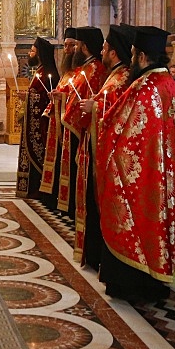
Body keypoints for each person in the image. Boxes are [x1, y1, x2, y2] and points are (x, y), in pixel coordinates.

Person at [96, 25, 175, 302]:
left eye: (132, 55)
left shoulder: (146, 87)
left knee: (139, 225)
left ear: (141, 56)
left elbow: (123, 130)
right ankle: (155, 281)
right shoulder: (167, 84)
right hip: (162, 173)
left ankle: (132, 285)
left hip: (141, 178)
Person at [76, 23, 134, 269]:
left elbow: (118, 110)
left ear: (113, 52)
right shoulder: (115, 75)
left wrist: (95, 106)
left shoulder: (122, 78)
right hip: (96, 148)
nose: (101, 53)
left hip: (108, 155)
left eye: (105, 49)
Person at [56, 26, 107, 218]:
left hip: (83, 127)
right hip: (76, 125)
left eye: (76, 45)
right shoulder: (84, 68)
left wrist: (68, 115)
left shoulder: (95, 70)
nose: (73, 49)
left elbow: (88, 97)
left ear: (84, 46)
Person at [39, 27, 79, 205]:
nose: (68, 50)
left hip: (69, 125)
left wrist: (60, 97)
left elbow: (75, 98)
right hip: (58, 122)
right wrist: (55, 96)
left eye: (72, 45)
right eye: (65, 46)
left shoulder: (82, 73)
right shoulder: (67, 73)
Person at [16, 37, 59, 199]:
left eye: (32, 51)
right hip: (35, 122)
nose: (29, 53)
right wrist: (27, 96)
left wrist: (27, 97)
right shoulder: (40, 71)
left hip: (41, 125)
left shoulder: (46, 73)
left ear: (39, 54)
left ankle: (37, 189)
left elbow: (43, 98)